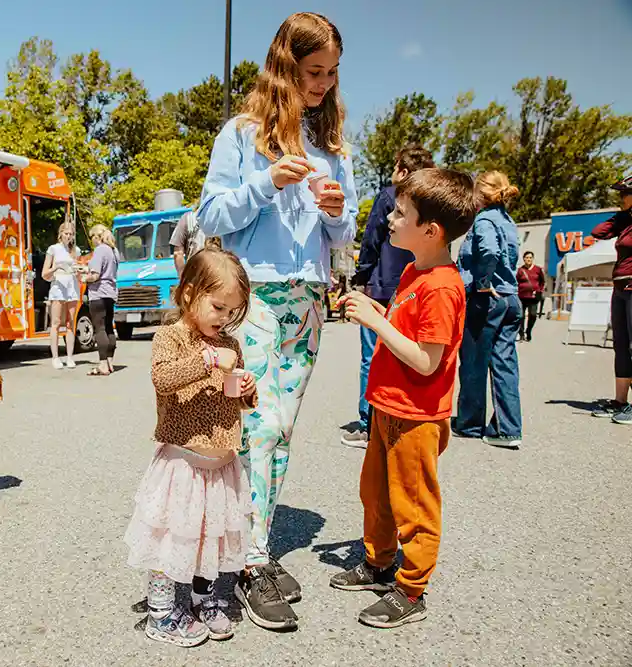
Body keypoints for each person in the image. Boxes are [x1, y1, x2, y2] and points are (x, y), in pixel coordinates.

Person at [196, 12, 357, 630]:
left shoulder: (331, 144)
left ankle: (249, 542)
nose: (324, 83)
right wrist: (265, 182)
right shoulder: (241, 134)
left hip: (309, 299)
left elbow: (339, 238)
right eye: (315, 71)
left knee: (281, 428)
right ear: (286, 67)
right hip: (258, 296)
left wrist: (339, 213)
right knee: (258, 426)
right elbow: (213, 214)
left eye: (333, 72)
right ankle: (248, 557)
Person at [331, 167, 476, 628]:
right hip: (387, 408)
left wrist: (377, 325)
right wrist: (377, 309)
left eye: (400, 213)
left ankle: (412, 590)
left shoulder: (442, 287)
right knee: (376, 493)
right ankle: (378, 563)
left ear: (430, 230)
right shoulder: (416, 270)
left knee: (413, 503)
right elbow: (405, 326)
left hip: (416, 417)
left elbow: (426, 361)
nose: (390, 220)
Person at [124, 248, 256, 647]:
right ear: (189, 293)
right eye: (218, 307)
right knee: (173, 536)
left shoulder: (228, 342)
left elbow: (235, 396)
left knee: (210, 533)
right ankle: (161, 613)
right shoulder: (171, 337)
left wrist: (248, 391)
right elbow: (163, 379)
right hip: (183, 460)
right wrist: (209, 359)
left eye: (232, 311)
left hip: (221, 461)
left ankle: (205, 597)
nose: (224, 318)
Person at [343, 144, 435, 447]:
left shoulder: (389, 197)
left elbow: (371, 240)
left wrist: (361, 275)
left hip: (382, 284)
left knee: (373, 354)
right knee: (408, 350)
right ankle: (397, 417)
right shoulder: (429, 201)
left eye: (397, 166)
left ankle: (368, 422)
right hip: (412, 282)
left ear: (404, 171)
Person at [454, 171, 524, 449]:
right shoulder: (508, 221)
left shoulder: (483, 220)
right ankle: (508, 429)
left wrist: (482, 282)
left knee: (473, 362)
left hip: (487, 299)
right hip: (510, 298)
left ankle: (470, 424)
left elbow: (490, 252)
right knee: (505, 363)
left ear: (480, 195)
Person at [590, 176, 632, 425]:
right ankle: (620, 401)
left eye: (624, 194)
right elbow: (598, 232)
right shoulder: (624, 221)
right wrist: (621, 216)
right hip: (620, 286)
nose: (620, 198)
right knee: (621, 346)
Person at [41, 221, 82, 369]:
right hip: (58, 286)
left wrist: (79, 271)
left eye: (71, 234)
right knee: (56, 323)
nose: (68, 236)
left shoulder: (76, 251)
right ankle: (55, 357)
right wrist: (56, 267)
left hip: (72, 286)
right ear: (60, 234)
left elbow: (78, 273)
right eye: (66, 233)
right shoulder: (53, 249)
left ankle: (70, 357)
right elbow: (44, 274)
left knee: (71, 322)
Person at [84, 224, 120, 376]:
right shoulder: (114, 250)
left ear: (97, 237)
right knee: (109, 327)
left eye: (92, 237)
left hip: (98, 293)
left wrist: (83, 278)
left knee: (99, 329)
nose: (92, 241)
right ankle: (110, 362)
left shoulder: (100, 250)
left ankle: (103, 364)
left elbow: (95, 275)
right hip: (111, 292)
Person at [516, 251, 546, 342]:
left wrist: (539, 290)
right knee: (520, 316)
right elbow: (516, 281)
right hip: (521, 296)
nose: (528, 259)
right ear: (524, 259)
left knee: (532, 315)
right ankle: (521, 334)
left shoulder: (538, 269)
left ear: (533, 259)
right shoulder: (520, 270)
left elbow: (542, 281)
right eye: (527, 257)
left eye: (530, 258)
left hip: (533, 297)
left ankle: (528, 331)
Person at [170, 208, 206, 276]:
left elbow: (177, 253)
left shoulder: (187, 218)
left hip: (194, 275)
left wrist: (182, 277)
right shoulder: (222, 214)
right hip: (219, 276)